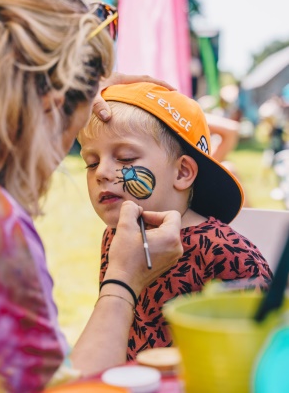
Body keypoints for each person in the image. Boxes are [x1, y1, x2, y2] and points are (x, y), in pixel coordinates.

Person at [0, 0, 184, 392]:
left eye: (126, 157)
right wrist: (123, 282)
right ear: (52, 103)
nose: (101, 172)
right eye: (86, 153)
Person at [78, 81, 273, 360]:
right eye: (91, 162)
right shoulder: (118, 236)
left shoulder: (226, 252)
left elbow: (261, 350)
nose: (103, 172)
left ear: (182, 172)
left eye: (125, 157)